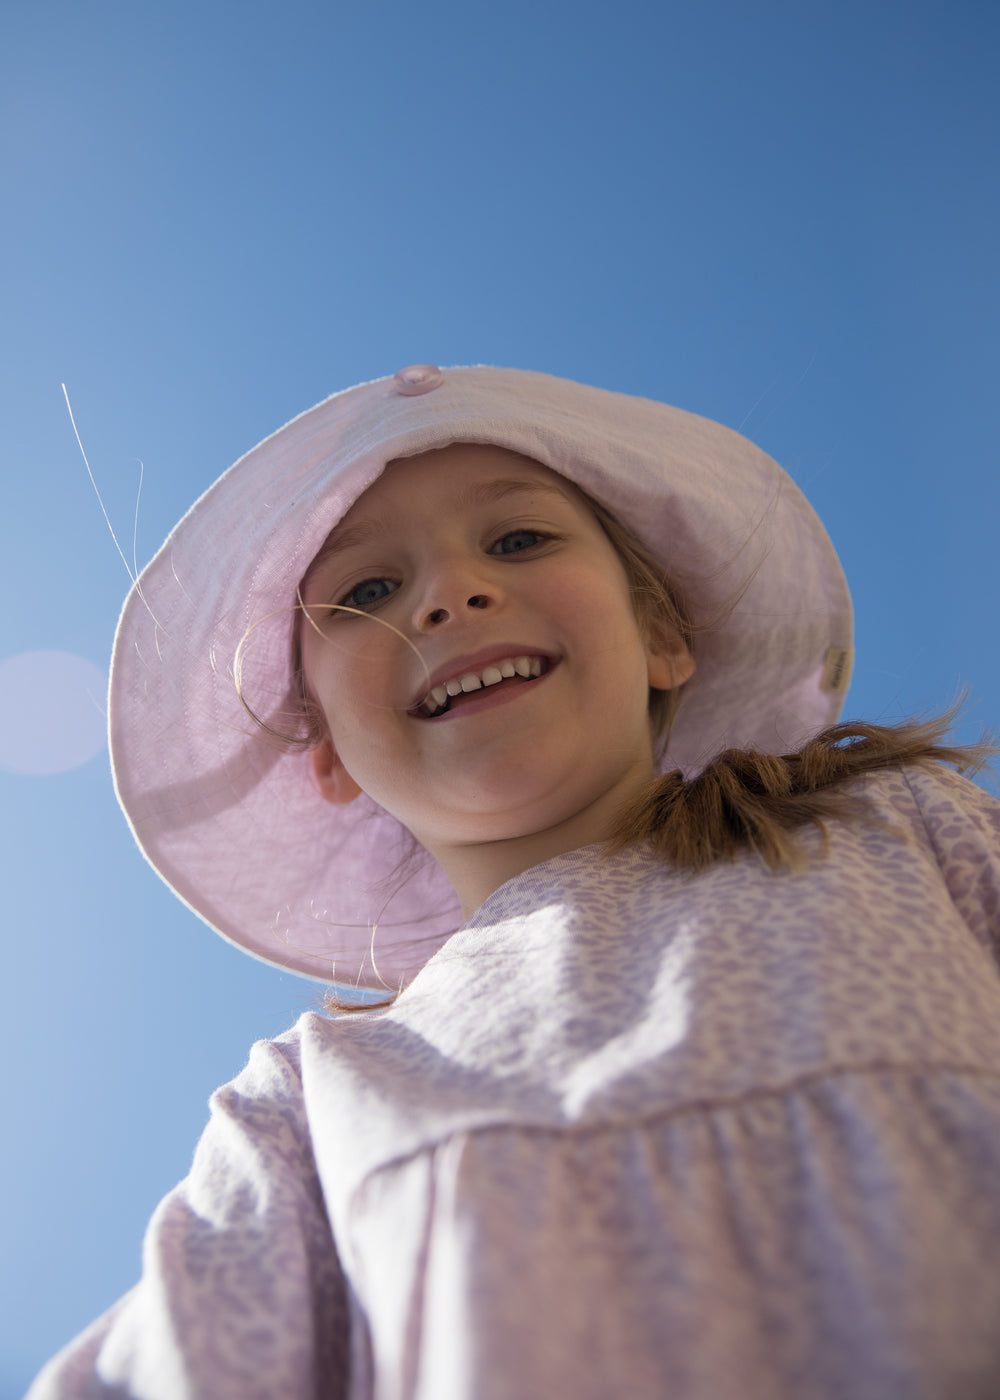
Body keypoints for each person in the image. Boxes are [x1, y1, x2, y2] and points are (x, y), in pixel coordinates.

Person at [29, 364, 1000, 1399]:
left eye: (518, 538)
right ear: (329, 753)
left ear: (664, 634)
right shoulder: (309, 1100)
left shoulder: (901, 832)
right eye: (366, 591)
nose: (449, 592)